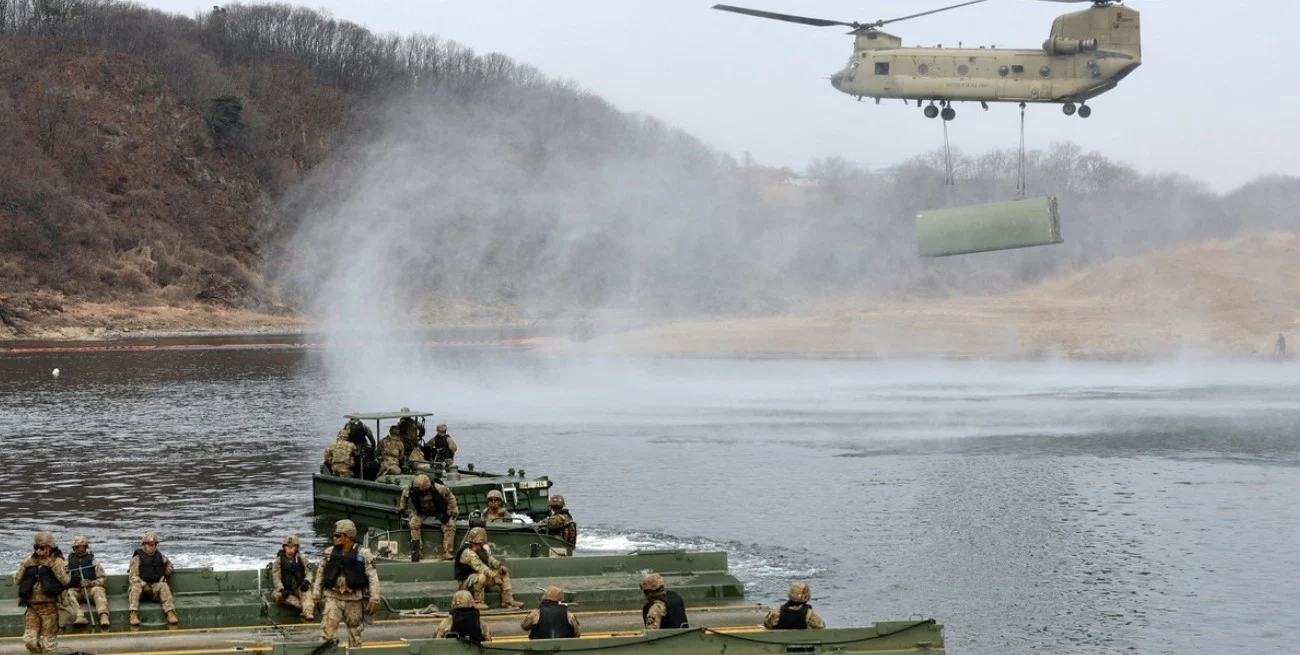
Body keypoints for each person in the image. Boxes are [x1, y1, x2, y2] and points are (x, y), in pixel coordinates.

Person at [311, 519, 380, 649]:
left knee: (355, 633)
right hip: (333, 597)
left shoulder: (363, 554)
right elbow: (320, 575)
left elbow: (372, 577)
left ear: (348, 537)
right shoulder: (329, 553)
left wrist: (374, 599)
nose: (335, 538)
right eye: (334, 535)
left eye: (338, 536)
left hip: (354, 599)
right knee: (327, 632)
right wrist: (316, 595)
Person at [15, 531, 70, 653]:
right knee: (30, 641)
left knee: (48, 644)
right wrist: (26, 569)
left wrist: (52, 565)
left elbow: (66, 581)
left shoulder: (58, 561)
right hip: (32, 607)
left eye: (42, 547)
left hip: (50, 608)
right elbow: (17, 580)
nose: (39, 551)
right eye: (36, 548)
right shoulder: (28, 561)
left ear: (50, 547)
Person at [455, 527, 523, 609]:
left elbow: (490, 559)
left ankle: (507, 601)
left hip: (477, 580)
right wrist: (494, 576)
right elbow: (480, 567)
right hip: (465, 583)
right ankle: (478, 602)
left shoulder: (480, 549)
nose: (478, 546)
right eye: (476, 543)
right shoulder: (467, 552)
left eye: (480, 543)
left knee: (503, 573)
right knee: (481, 577)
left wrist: (500, 566)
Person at [398, 473, 457, 561]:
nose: (423, 493)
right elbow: (404, 497)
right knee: (413, 524)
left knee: (450, 525)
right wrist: (402, 509)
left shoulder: (440, 489)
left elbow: (451, 498)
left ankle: (447, 551)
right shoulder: (410, 490)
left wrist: (450, 513)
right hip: (422, 511)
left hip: (438, 510)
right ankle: (418, 551)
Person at [128, 531, 178, 626]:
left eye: (155, 544)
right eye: (150, 545)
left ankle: (170, 613)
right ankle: (133, 614)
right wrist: (144, 584)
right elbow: (133, 577)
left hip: (155, 587)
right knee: (135, 587)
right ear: (144, 545)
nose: (153, 547)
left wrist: (166, 574)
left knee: (164, 586)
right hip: (142, 588)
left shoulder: (161, 557)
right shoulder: (137, 559)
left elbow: (170, 565)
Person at [63, 535, 110, 629]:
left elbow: (103, 580)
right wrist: (68, 577)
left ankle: (103, 616)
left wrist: (90, 583)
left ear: (85, 547)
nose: (77, 549)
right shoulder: (66, 562)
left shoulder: (93, 562)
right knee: (68, 594)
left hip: (89, 590)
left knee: (98, 590)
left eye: (79, 547)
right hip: (75, 589)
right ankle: (80, 616)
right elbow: (61, 578)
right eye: (75, 547)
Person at [271, 536, 316, 621]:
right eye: (288, 547)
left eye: (293, 547)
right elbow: (276, 577)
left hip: (300, 586)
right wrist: (281, 589)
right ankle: (304, 608)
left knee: (307, 592)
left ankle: (309, 613)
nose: (290, 549)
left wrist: (307, 580)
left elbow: (309, 571)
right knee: (277, 596)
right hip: (286, 588)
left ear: (296, 547)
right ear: (284, 547)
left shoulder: (302, 559)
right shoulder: (278, 561)